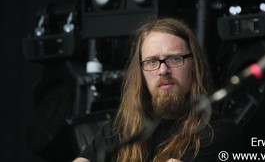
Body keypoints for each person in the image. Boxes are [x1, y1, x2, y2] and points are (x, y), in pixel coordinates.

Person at [73, 17, 246, 162]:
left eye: (175, 59)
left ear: (195, 66)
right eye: (152, 61)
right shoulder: (122, 128)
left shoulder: (219, 134)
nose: (163, 70)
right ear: (141, 71)